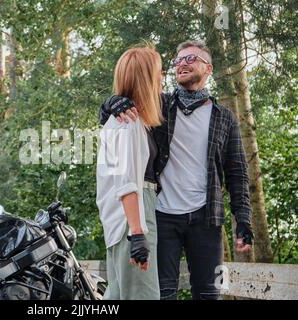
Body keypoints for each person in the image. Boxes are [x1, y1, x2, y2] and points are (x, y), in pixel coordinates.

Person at [99, 40, 254, 300]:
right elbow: (122, 116)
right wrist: (110, 104)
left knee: (210, 292)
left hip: (207, 217)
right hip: (162, 214)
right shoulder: (158, 106)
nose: (182, 63)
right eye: (178, 60)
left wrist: (244, 220)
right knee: (161, 292)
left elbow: (237, 173)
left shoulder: (224, 117)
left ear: (208, 68)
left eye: (191, 58)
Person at [96, 45, 163, 300]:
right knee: (141, 295)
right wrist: (137, 233)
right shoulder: (128, 123)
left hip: (122, 219)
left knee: (117, 296)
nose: (161, 78)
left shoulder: (126, 120)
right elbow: (126, 183)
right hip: (133, 216)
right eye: (158, 73)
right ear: (146, 79)